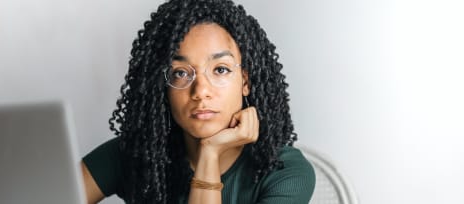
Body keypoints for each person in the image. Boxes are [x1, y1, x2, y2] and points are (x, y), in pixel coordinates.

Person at [81, 0, 315, 203]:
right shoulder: (136, 153)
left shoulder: (286, 173)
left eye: (220, 70)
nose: (201, 91)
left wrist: (210, 152)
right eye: (180, 73)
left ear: (245, 82)